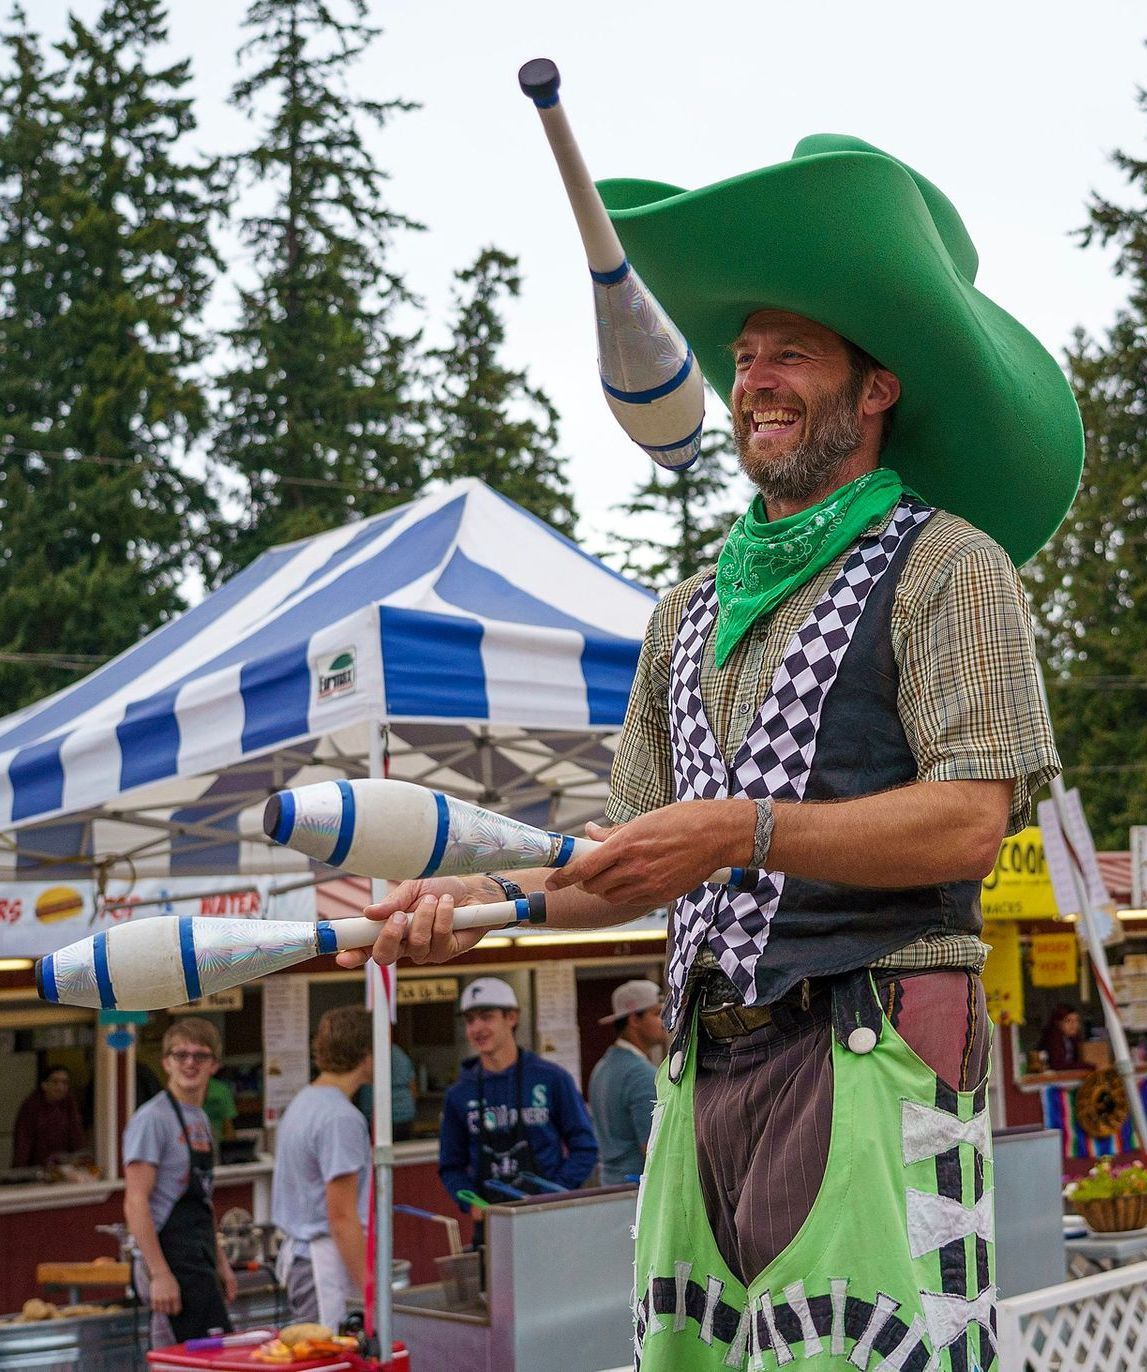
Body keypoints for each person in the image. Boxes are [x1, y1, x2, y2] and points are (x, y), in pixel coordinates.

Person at [339, 133, 1080, 1371]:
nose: (754, 381)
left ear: (876, 386)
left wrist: (740, 829)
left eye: (791, 352)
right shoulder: (683, 611)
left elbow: (965, 821)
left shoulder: (949, 562)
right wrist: (466, 904)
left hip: (876, 1040)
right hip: (704, 1065)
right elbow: (617, 858)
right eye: (742, 358)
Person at [123, 1018, 236, 1346]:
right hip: (168, 1260)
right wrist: (159, 1274)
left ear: (214, 1065)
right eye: (180, 1054)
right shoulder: (151, 1120)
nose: (190, 1063)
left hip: (197, 1256)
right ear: (166, 1062)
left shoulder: (200, 1119)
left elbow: (203, 1199)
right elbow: (135, 1202)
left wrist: (221, 1263)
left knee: (213, 1356)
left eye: (200, 1056)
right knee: (189, 1359)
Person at [438, 977, 598, 1207]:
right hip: (491, 1220)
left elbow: (585, 1147)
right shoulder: (459, 1093)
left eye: (486, 1017)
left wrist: (556, 1193)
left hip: (548, 1216)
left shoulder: (552, 1078)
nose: (476, 1028)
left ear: (512, 1017)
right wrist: (470, 1201)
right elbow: (451, 1166)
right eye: (470, 1020)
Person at [272, 1006, 372, 1331]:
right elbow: (341, 1217)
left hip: (301, 1258)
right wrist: (370, 1290)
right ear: (368, 1054)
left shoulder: (304, 1101)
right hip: (324, 1265)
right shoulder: (340, 1117)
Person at [589, 980, 667, 1184]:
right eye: (657, 1014)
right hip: (637, 1190)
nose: (665, 1021)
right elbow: (653, 1149)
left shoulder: (602, 1068)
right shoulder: (641, 1074)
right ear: (634, 1019)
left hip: (609, 1185)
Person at [12, 1064, 85, 1169]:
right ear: (44, 1085)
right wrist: (19, 1172)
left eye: (65, 1083)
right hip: (36, 1169)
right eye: (55, 1082)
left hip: (64, 1168)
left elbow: (77, 1136)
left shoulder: (69, 1104)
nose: (60, 1087)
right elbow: (23, 1143)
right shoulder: (31, 1106)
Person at [354, 1043, 417, 1141]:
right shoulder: (401, 1055)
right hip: (403, 1114)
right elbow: (412, 1086)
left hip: (374, 1116)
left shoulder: (367, 1056)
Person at [1039, 1003, 1085, 1070]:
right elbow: (1058, 1065)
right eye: (1068, 1021)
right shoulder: (1052, 1038)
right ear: (1058, 1023)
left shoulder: (1071, 1039)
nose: (1074, 1025)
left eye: (1076, 1020)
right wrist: (1086, 1065)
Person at [202, 1075, 238, 1144]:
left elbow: (229, 1126)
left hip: (218, 1144)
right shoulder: (179, 1090)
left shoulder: (221, 1089)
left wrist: (232, 1149)